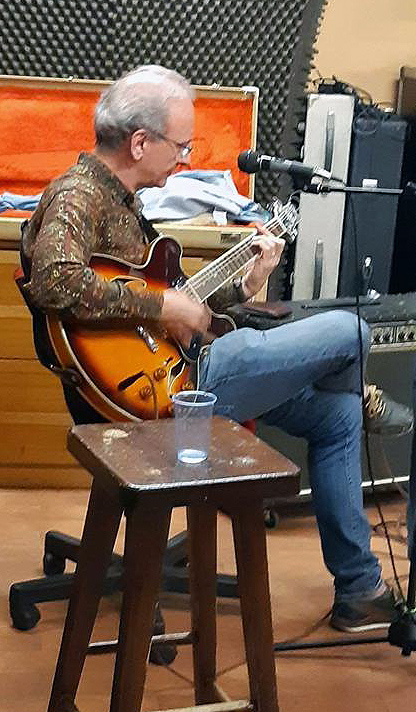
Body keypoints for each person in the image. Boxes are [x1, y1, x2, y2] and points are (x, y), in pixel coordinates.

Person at [21, 64, 412, 633]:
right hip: (169, 391)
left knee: (337, 416)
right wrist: (162, 307)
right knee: (351, 331)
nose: (185, 159)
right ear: (139, 142)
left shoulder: (124, 201)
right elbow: (55, 281)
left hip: (182, 367)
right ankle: (362, 385)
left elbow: (181, 305)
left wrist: (243, 286)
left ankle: (359, 591)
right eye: (181, 146)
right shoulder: (78, 196)